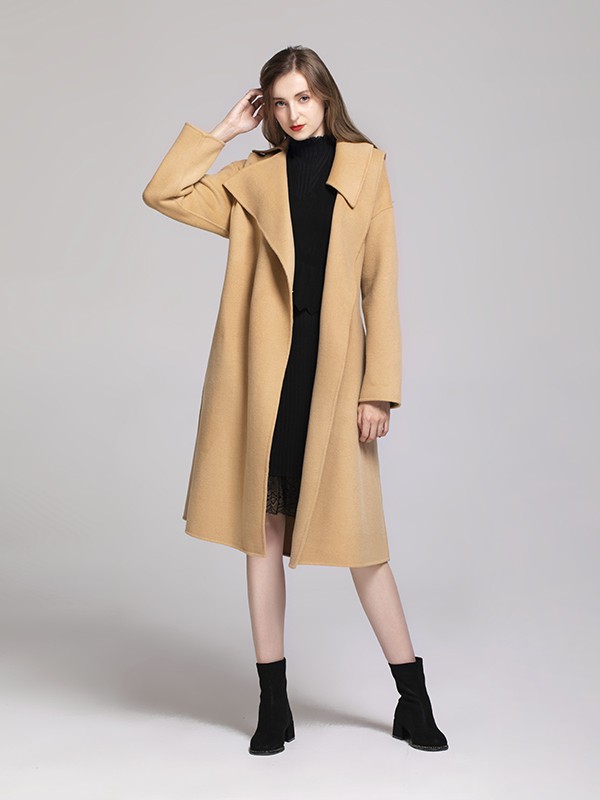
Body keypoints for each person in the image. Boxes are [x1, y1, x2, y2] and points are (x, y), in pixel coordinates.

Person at [142, 45, 448, 756]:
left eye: (303, 98)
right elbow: (164, 193)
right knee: (265, 535)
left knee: (363, 547)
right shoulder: (252, 179)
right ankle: (272, 706)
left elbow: (382, 285)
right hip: (266, 381)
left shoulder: (365, 168)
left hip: (335, 378)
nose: (292, 113)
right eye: (279, 103)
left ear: (325, 98)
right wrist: (223, 132)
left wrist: (380, 391)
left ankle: (413, 700)